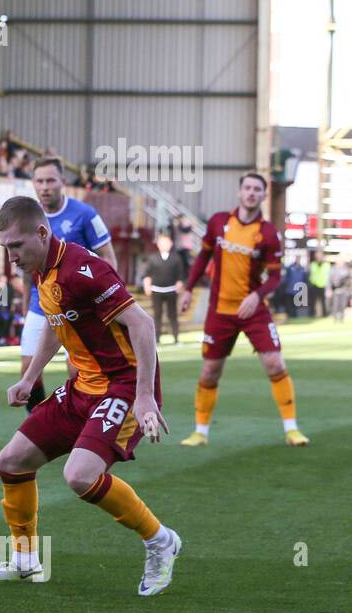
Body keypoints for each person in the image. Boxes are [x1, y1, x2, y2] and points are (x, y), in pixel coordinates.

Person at [0, 196, 181, 596]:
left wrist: (143, 398)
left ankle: (161, 541)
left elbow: (143, 326)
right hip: (83, 386)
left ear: (41, 232)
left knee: (80, 475)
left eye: (15, 246)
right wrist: (29, 377)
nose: (11, 257)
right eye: (5, 249)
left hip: (122, 384)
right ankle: (24, 560)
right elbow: (56, 322)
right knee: (12, 460)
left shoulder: (84, 270)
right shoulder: (41, 268)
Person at [179, 173, 309, 447]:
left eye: (257, 189)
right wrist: (189, 288)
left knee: (275, 363)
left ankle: (292, 429)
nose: (251, 193)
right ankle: (200, 431)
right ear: (239, 192)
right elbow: (203, 256)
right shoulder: (218, 222)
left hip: (254, 311)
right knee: (210, 371)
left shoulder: (269, 234)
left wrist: (257, 294)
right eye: (247, 188)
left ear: (263, 195)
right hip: (220, 311)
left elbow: (275, 277)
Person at [20, 157, 117, 410]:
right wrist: (23, 306)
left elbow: (108, 258)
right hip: (39, 304)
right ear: (33, 183)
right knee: (27, 372)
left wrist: (106, 299)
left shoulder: (85, 214)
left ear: (63, 182)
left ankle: (88, 429)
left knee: (78, 372)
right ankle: (38, 429)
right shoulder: (27, 217)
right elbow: (23, 266)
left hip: (79, 307)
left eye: (50, 180)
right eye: (39, 181)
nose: (45, 186)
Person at [141, 232, 186, 344]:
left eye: (166, 242)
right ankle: (157, 339)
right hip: (156, 290)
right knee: (157, 315)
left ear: (171, 244)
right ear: (158, 244)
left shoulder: (176, 258)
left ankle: (176, 338)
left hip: (171, 290)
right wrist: (147, 286)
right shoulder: (152, 258)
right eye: (162, 243)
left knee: (173, 315)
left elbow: (181, 275)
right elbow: (147, 274)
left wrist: (179, 285)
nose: (164, 245)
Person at [307, 249, 330, 319]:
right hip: (314, 285)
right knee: (312, 301)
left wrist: (328, 287)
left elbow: (328, 276)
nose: (318, 257)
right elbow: (310, 275)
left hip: (323, 285)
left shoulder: (326, 264)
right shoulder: (312, 264)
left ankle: (325, 314)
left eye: (320, 255)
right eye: (317, 255)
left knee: (323, 301)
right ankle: (311, 314)